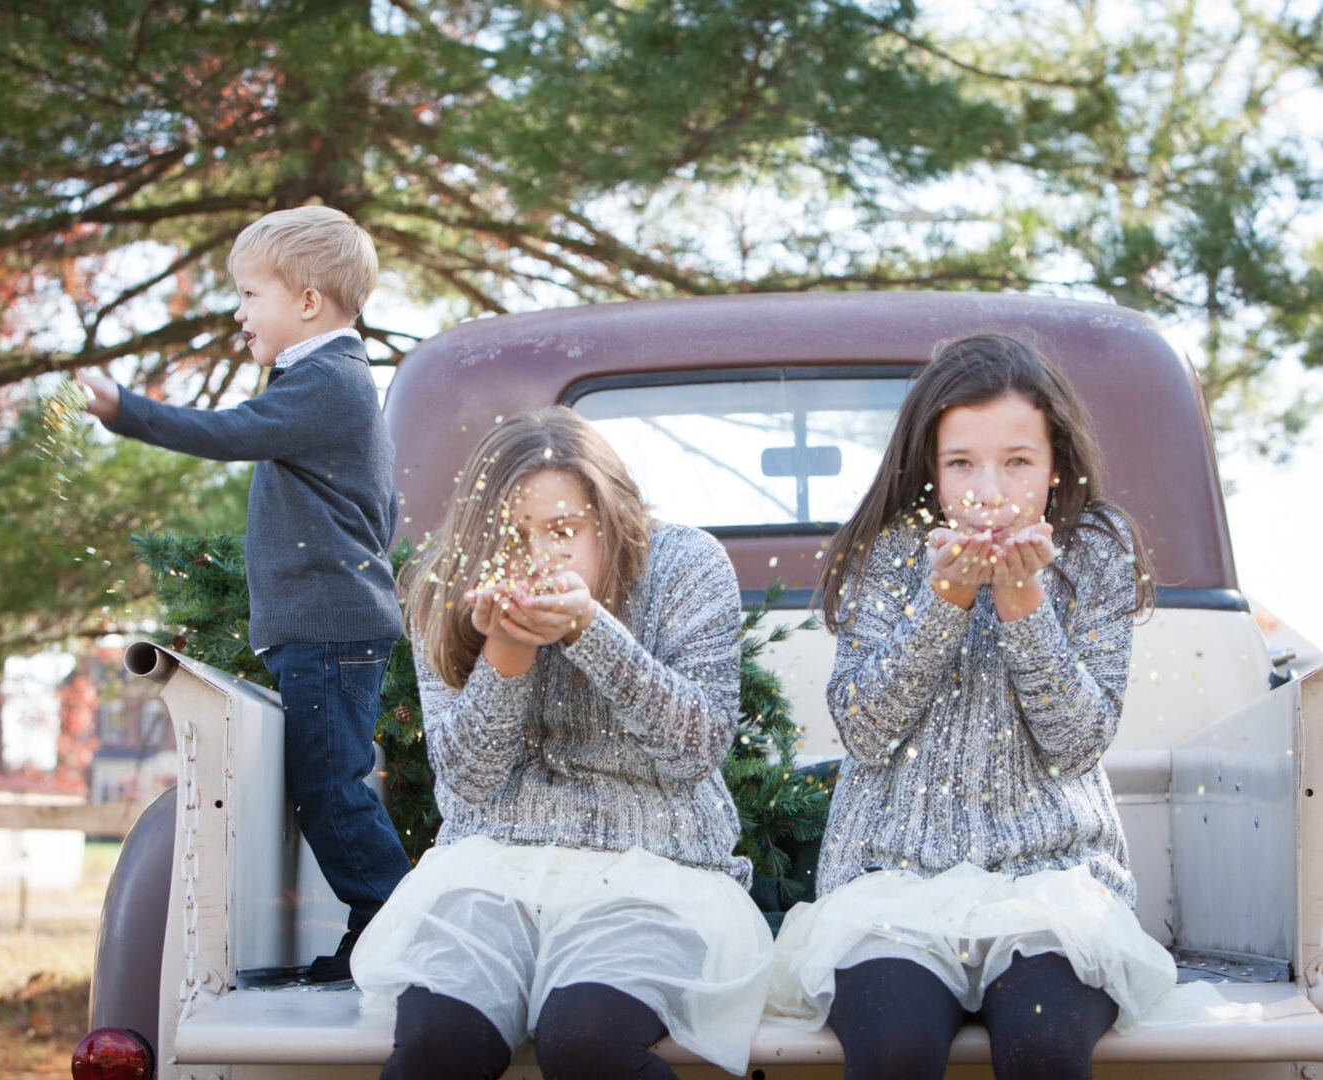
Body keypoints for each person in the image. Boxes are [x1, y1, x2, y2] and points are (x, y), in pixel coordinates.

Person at [767, 333, 1175, 1080]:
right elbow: (863, 726)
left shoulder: (1093, 552)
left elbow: (1079, 740)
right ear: (929, 468)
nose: (990, 490)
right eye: (962, 464)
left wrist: (1025, 606)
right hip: (892, 881)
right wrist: (945, 599)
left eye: (1018, 461)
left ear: (1057, 467)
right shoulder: (892, 550)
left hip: (1053, 878)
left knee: (1045, 1044)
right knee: (893, 1048)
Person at [351, 406, 773, 1080]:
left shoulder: (685, 564)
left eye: (563, 531)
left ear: (608, 522)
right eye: (514, 536)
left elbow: (698, 747)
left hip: (657, 872)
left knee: (587, 1040)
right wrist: (506, 650)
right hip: (490, 868)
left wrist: (591, 632)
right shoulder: (449, 585)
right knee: (437, 1044)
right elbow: (464, 783)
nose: (538, 557)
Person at [79, 204, 412, 983]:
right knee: (327, 782)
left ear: (307, 301)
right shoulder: (328, 382)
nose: (239, 313)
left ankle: (394, 926)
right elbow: (382, 509)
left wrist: (126, 411)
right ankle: (384, 924)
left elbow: (230, 433)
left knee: (330, 786)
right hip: (327, 621)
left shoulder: (327, 383)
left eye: (251, 295)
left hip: (330, 624)